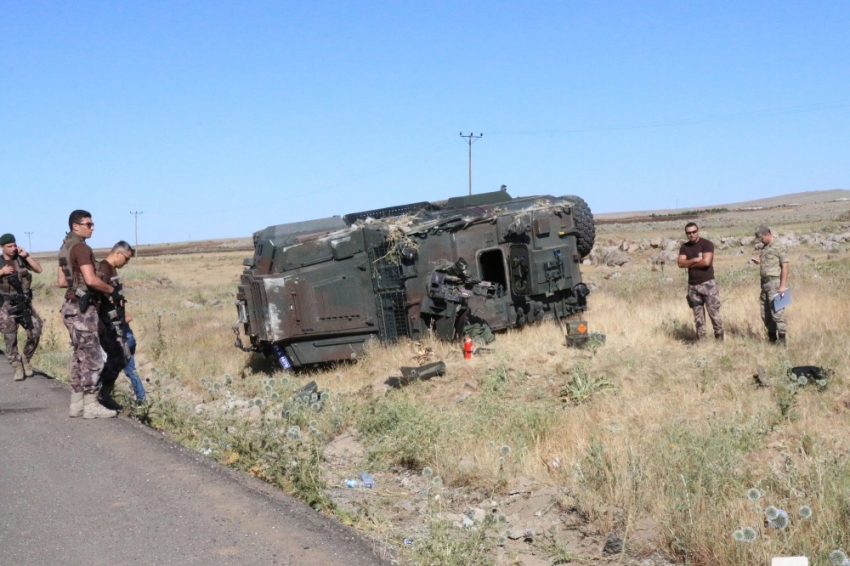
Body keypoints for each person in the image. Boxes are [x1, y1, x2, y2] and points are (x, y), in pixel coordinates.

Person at [57, 210, 118, 418]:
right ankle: (90, 405)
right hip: (83, 310)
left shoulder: (65, 247)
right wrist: (111, 290)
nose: (92, 228)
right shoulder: (81, 247)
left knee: (79, 357)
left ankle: (76, 404)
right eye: (88, 224)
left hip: (70, 307)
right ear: (76, 226)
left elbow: (62, 282)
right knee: (93, 358)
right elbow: (91, 280)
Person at [96, 241, 145, 407]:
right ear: (118, 254)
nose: (126, 263)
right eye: (126, 259)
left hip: (117, 322)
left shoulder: (112, 269)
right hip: (109, 325)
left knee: (123, 358)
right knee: (118, 358)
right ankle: (99, 393)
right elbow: (98, 298)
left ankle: (103, 394)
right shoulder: (103, 269)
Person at [0, 233, 44, 380]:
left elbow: (39, 269)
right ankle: (16, 365)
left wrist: (26, 256)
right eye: (9, 246)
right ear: (2, 247)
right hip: (6, 304)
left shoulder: (20, 259)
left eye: (14, 245)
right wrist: (2, 272)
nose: (13, 248)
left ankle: (26, 358)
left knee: (36, 329)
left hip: (24, 302)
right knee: (10, 336)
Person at [677, 222, 724, 341]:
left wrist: (689, 264)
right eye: (689, 233)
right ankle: (702, 341)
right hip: (693, 286)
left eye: (694, 232)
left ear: (698, 231)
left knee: (713, 313)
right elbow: (680, 263)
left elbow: (706, 262)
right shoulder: (684, 247)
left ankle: (719, 339)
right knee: (698, 316)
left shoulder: (706, 244)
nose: (691, 235)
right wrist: (695, 259)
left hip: (707, 284)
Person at [751, 226, 789, 345]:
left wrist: (782, 286)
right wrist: (759, 261)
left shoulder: (779, 246)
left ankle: (782, 341)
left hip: (776, 283)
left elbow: (785, 266)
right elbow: (769, 261)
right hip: (765, 283)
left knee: (778, 313)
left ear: (768, 234)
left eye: (762, 238)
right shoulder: (766, 247)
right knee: (765, 312)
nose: (760, 241)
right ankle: (772, 339)